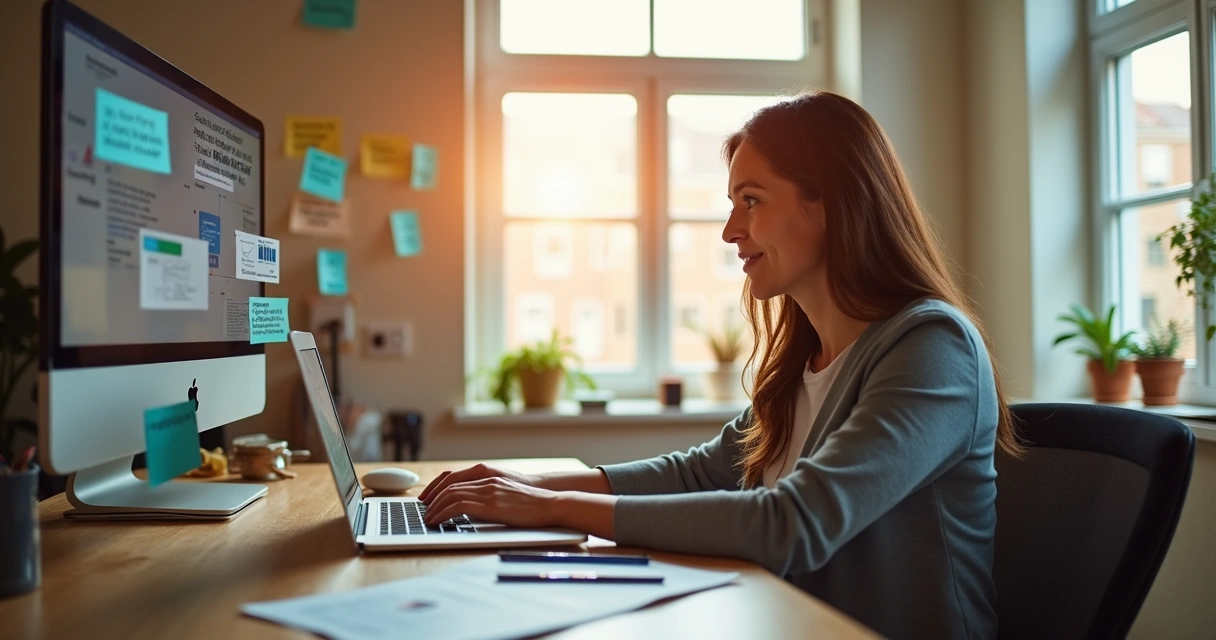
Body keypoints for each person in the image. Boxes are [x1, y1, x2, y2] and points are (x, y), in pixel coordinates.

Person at [421, 91, 1021, 639]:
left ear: (832, 204)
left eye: (751, 201)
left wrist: (551, 509)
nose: (731, 231)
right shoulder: (803, 360)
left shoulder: (933, 349)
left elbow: (792, 522)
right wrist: (523, 486)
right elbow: (703, 473)